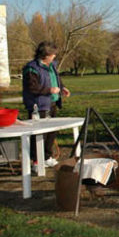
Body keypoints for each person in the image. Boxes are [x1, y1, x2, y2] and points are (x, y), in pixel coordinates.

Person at [22, 41, 71, 170]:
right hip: (38, 106)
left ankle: (47, 157)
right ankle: (36, 161)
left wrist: (62, 87)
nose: (54, 56)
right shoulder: (31, 68)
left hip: (52, 103)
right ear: (46, 54)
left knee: (51, 132)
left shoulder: (52, 65)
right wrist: (49, 90)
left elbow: (56, 79)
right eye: (52, 54)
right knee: (38, 134)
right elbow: (32, 87)